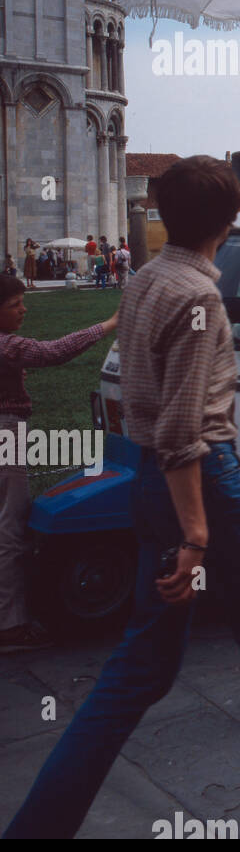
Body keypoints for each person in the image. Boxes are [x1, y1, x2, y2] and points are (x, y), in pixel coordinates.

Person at [4, 156, 240, 840]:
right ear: (229, 223)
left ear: (160, 212)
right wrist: (198, 535)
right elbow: (184, 430)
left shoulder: (146, 279)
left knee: (139, 669)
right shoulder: (202, 299)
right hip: (205, 487)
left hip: (148, 479)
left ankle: (37, 826)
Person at [0, 276, 116, 654]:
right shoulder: (7, 346)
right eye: (16, 303)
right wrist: (109, 324)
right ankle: (11, 626)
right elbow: (54, 352)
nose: (24, 308)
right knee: (11, 528)